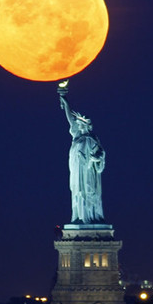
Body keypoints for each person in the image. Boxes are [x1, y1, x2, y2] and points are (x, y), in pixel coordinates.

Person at [59, 84, 105, 224]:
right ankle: (79, 216)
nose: (78, 125)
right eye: (78, 124)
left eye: (81, 124)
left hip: (89, 170)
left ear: (86, 125)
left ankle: (90, 216)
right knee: (77, 191)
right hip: (76, 168)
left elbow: (101, 155)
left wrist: (96, 158)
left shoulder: (92, 139)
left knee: (89, 192)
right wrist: (64, 99)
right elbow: (69, 118)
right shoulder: (77, 136)